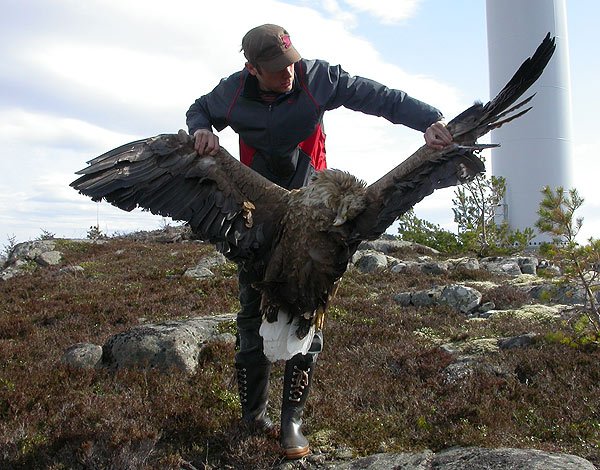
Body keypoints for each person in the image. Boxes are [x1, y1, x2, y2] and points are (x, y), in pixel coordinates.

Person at [186, 23, 452, 460]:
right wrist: (202, 129)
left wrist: (429, 119)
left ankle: (291, 421)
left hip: (316, 212)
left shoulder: (317, 78)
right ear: (251, 69)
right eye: (275, 69)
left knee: (309, 311)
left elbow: (376, 95)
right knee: (253, 310)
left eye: (290, 63)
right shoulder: (231, 93)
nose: (288, 74)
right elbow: (198, 109)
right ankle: (253, 417)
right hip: (258, 215)